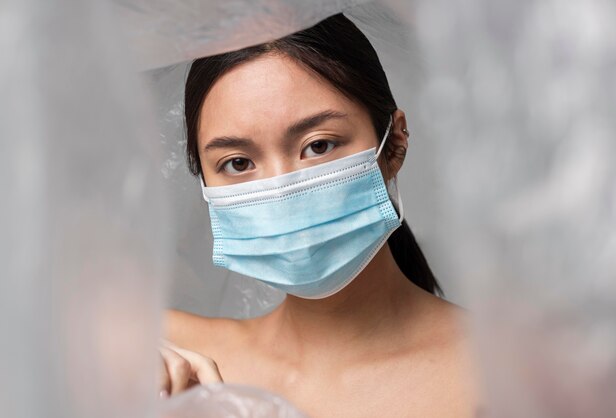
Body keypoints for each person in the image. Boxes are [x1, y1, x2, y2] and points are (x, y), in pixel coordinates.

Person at [159, 13, 480, 417]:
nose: (281, 189)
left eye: (319, 145)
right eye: (238, 163)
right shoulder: (161, 356)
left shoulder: (502, 371)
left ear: (394, 144)